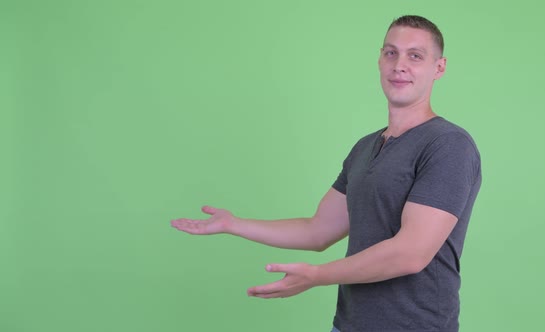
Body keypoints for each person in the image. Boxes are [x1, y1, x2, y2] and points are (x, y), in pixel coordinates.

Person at [171, 15, 481, 332]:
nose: (399, 65)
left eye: (415, 56)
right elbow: (318, 231)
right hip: (349, 325)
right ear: (379, 59)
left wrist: (316, 276)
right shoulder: (364, 148)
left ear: (439, 68)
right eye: (391, 53)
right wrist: (233, 223)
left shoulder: (449, 145)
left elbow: (410, 253)